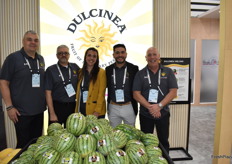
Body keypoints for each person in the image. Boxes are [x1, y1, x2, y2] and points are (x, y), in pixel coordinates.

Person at [0, 30, 46, 148]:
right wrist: (9, 107)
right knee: (23, 146)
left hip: (39, 110)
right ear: (23, 41)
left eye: (36, 40)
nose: (33, 42)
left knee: (36, 144)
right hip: (21, 112)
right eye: (29, 39)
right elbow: (3, 82)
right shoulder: (13, 58)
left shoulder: (40, 59)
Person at [133, 47, 178, 153]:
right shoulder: (140, 73)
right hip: (145, 114)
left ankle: (164, 160)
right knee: (145, 141)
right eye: (149, 55)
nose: (152, 57)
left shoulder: (168, 72)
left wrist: (159, 106)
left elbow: (173, 92)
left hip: (163, 113)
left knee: (163, 141)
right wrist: (151, 107)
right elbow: (136, 94)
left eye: (154, 54)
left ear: (159, 57)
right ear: (145, 58)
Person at [45, 45, 80, 127]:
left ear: (69, 55)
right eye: (60, 53)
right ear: (57, 55)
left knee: (71, 134)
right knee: (55, 135)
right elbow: (47, 93)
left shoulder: (75, 67)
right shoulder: (51, 70)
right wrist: (52, 113)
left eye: (66, 53)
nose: (63, 55)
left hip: (72, 106)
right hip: (57, 107)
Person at [106, 44, 139, 128]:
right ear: (113, 55)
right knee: (114, 134)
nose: (120, 55)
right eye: (117, 53)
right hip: (113, 106)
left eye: (122, 52)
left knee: (131, 134)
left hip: (129, 106)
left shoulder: (134, 68)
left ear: (126, 54)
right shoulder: (108, 69)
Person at [75, 47, 106, 118]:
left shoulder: (101, 72)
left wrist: (97, 111)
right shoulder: (80, 72)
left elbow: (101, 93)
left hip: (95, 112)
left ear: (97, 59)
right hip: (81, 109)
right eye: (89, 55)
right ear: (85, 57)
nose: (91, 58)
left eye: (94, 56)